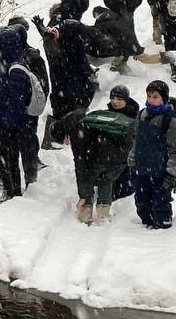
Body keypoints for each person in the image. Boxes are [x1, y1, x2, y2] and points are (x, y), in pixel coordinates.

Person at [50, 84, 140, 224]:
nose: (115, 101)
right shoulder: (101, 116)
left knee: (95, 180)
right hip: (110, 159)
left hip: (114, 160)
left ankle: (89, 213)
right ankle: (100, 212)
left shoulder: (131, 120)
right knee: (105, 181)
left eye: (119, 99)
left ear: (127, 101)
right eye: (113, 98)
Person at [33, 0, 95, 150]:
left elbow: (52, 39)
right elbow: (78, 50)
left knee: (61, 101)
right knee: (75, 102)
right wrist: (86, 70)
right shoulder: (69, 23)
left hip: (59, 69)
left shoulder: (57, 21)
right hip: (70, 70)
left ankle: (55, 136)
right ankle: (58, 137)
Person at [0, 27, 39, 202]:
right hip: (5, 122)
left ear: (6, 46)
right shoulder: (8, 64)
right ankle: (11, 190)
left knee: (7, 158)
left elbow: (16, 103)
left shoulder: (16, 70)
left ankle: (13, 192)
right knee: (3, 157)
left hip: (11, 126)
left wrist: (6, 124)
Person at [130, 80, 176, 229]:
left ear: (164, 98)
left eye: (155, 97)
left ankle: (161, 236)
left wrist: (171, 174)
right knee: (142, 203)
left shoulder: (172, 122)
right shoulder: (142, 115)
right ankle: (146, 229)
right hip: (141, 169)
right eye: (149, 96)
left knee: (160, 205)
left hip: (161, 172)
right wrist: (132, 161)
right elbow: (136, 140)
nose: (151, 100)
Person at [6, 17, 49, 184]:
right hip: (12, 111)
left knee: (28, 146)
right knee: (12, 147)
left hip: (27, 111)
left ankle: (31, 181)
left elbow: (43, 87)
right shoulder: (5, 55)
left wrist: (29, 104)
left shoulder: (32, 57)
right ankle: (12, 182)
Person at [101, 0, 145, 68]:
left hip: (128, 11)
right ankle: (118, 54)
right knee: (116, 32)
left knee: (128, 30)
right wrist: (113, 5)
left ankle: (132, 51)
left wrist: (130, 6)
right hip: (114, 11)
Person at [89, 6, 143, 70]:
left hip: (116, 49)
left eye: (95, 16)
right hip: (127, 46)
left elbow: (99, 35)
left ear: (98, 14)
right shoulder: (115, 17)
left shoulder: (103, 21)